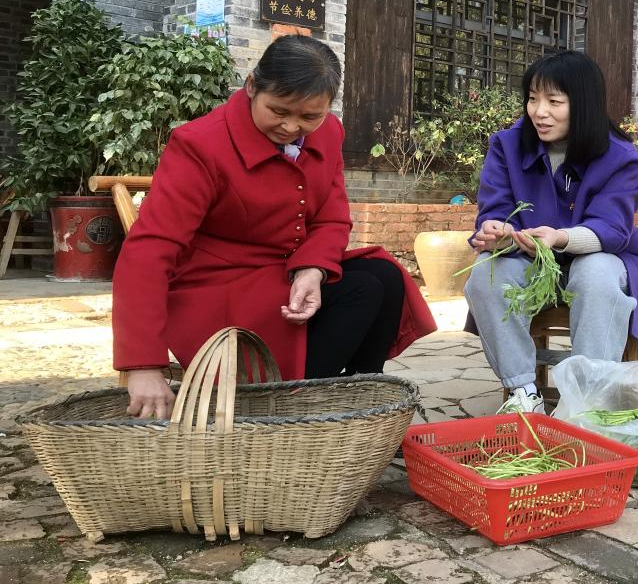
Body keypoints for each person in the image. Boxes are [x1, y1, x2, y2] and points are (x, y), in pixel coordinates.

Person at [113, 35, 437, 419]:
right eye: (279, 110)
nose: (291, 127)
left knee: (385, 275)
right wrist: (143, 364)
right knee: (361, 290)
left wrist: (312, 268)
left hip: (283, 273)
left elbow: (332, 216)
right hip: (216, 289)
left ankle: (361, 404)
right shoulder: (200, 145)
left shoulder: (328, 133)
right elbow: (149, 250)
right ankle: (289, 408)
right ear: (251, 86)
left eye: (308, 117)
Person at [464, 50, 638, 414]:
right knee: (485, 273)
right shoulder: (507, 146)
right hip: (529, 258)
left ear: (584, 104)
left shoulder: (621, 158)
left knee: (594, 272)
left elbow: (611, 229)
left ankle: (588, 398)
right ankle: (523, 392)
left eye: (554, 101)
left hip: (607, 259)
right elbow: (495, 208)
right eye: (532, 99)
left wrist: (559, 237)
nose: (539, 111)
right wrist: (498, 230)